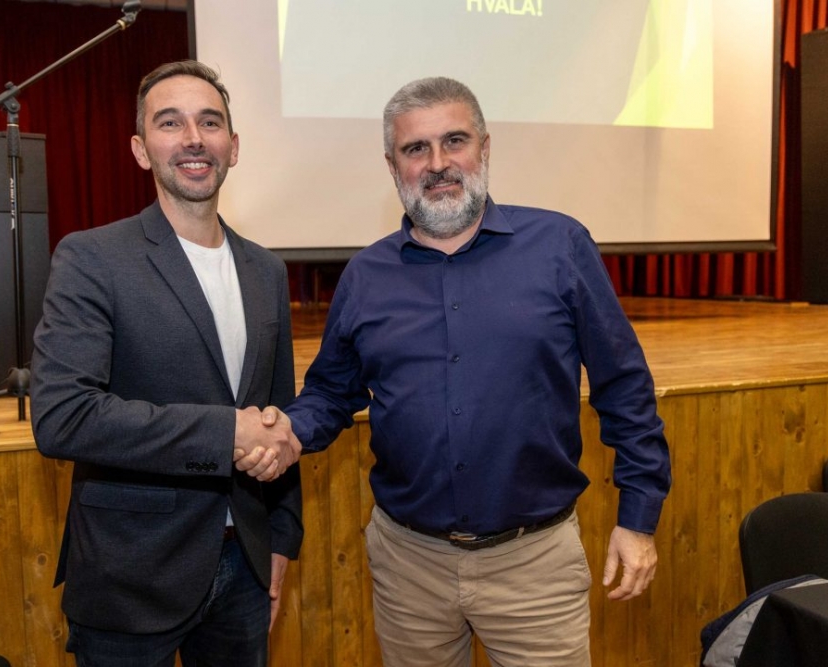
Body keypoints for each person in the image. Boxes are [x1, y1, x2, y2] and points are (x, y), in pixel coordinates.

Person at [276, 77, 672, 667]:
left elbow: (624, 387)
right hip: (408, 568)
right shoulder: (365, 275)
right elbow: (332, 392)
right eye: (416, 149)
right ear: (393, 165)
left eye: (454, 141)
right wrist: (285, 433)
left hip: (535, 566)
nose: (438, 163)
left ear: (484, 148)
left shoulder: (560, 245)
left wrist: (638, 519)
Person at [30, 60, 303, 667]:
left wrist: (281, 539)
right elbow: (63, 417)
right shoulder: (92, 258)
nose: (193, 139)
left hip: (246, 567)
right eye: (170, 123)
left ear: (233, 147)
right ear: (140, 149)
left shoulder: (267, 271)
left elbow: (276, 415)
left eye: (210, 122)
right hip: (130, 574)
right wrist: (224, 432)